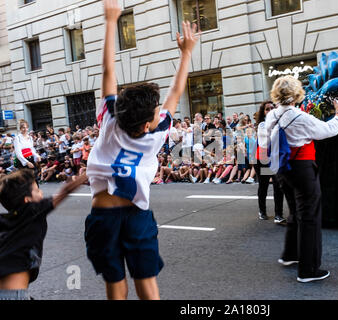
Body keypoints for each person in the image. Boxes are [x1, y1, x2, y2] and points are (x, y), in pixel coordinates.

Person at [85, 0, 200, 300]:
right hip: (137, 215)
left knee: (116, 285)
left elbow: (107, 68)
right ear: (148, 124)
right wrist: (186, 53)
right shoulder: (157, 135)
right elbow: (176, 91)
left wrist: (111, 21)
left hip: (103, 215)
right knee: (147, 285)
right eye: (155, 111)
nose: (159, 112)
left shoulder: (111, 120)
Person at [265, 75, 338, 283]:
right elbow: (329, 130)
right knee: (309, 216)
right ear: (296, 94)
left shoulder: (272, 115)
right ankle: (308, 269)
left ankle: (290, 254)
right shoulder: (299, 116)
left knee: (295, 211)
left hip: (282, 168)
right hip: (302, 167)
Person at [0, 170, 87, 300]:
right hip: (14, 295)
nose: (41, 193)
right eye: (37, 190)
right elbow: (65, 191)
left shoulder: (4, 220)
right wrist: (88, 173)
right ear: (27, 200)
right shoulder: (31, 211)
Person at [255, 100, 285, 223]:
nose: (270, 111)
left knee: (278, 186)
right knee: (264, 185)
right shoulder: (262, 125)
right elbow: (268, 140)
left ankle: (279, 214)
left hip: (275, 158)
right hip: (263, 159)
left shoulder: (280, 123)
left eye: (272, 108)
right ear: (263, 112)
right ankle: (262, 211)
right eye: (267, 109)